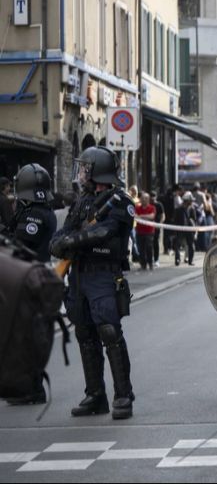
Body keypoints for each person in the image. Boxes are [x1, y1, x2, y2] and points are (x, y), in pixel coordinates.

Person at [50, 146, 136, 419]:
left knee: (109, 331)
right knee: (84, 334)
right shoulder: (82, 201)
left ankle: (123, 395)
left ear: (98, 171)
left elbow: (105, 231)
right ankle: (95, 395)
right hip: (79, 275)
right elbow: (63, 232)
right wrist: (59, 243)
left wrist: (72, 241)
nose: (82, 172)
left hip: (103, 273)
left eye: (86, 168)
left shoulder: (119, 201)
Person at [5, 163, 58, 405]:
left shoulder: (33, 214)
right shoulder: (43, 210)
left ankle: (33, 389)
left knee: (27, 333)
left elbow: (21, 245)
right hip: (38, 276)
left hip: (30, 278)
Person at [173, 191, 197, 266]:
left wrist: (194, 228)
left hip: (189, 230)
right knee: (177, 245)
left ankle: (190, 260)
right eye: (190, 200)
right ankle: (177, 259)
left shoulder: (192, 209)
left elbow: (194, 219)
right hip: (180, 229)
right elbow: (175, 220)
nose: (191, 202)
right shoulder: (178, 209)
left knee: (191, 245)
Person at [134, 193, 156, 270]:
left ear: (148, 199)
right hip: (139, 231)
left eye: (145, 198)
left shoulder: (152, 208)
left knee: (149, 247)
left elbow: (152, 216)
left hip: (149, 231)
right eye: (142, 198)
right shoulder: (137, 208)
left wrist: (141, 216)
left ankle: (150, 263)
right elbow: (135, 216)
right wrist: (145, 216)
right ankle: (143, 264)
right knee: (141, 249)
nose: (143, 200)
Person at [150, 191, 165, 267]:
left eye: (154, 196)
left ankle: (156, 259)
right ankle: (151, 258)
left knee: (155, 243)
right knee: (149, 243)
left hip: (156, 226)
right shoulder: (148, 204)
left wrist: (160, 224)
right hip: (149, 226)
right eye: (151, 196)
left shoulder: (159, 205)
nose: (152, 198)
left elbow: (163, 215)